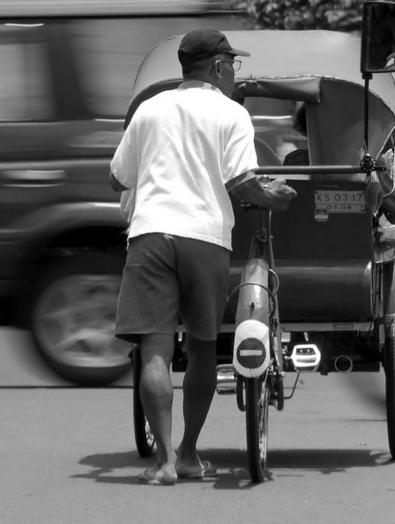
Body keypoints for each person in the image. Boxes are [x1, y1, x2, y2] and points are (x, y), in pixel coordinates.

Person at [109, 28, 297, 486]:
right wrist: (272, 197)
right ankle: (190, 451)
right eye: (233, 64)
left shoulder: (148, 111)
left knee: (154, 349)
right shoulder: (231, 114)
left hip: (151, 234)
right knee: (200, 350)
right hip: (205, 238)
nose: (236, 72)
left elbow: (117, 179)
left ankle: (164, 462)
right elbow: (240, 183)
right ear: (217, 67)